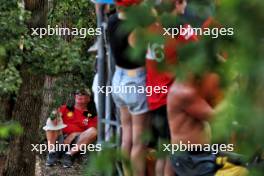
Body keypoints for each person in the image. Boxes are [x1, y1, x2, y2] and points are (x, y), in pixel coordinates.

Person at [146, 0, 198, 175]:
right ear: (177, 3)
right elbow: (199, 54)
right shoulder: (180, 27)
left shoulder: (151, 27)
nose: (186, 6)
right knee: (172, 154)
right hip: (170, 98)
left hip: (154, 97)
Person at [107, 1, 150, 175]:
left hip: (118, 79)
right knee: (139, 142)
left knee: (127, 137)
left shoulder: (112, 20)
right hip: (135, 81)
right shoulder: (135, 28)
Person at [43, 89, 98, 168]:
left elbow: (93, 132)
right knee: (50, 121)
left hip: (76, 142)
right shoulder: (66, 108)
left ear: (89, 98)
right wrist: (53, 115)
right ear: (75, 96)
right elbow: (53, 116)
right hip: (60, 138)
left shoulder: (91, 115)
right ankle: (52, 153)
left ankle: (68, 155)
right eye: (77, 93)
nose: (79, 95)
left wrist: (74, 134)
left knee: (93, 131)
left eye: (83, 93)